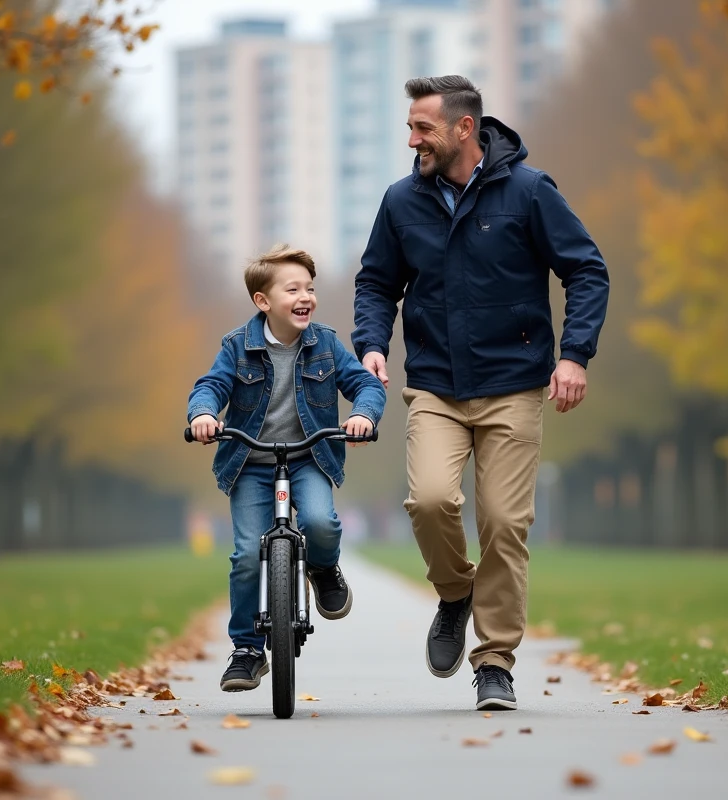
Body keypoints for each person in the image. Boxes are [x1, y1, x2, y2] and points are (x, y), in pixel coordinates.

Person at [352, 75, 609, 711]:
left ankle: (494, 662)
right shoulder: (401, 200)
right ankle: (454, 592)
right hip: (436, 384)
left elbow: (585, 269)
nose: (411, 139)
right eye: (410, 126)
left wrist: (574, 354)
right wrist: (371, 343)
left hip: (514, 384)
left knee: (503, 523)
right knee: (432, 501)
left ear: (465, 129)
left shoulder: (528, 192)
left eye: (422, 128)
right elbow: (376, 282)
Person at [188, 244, 387, 692]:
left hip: (308, 457)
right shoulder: (237, 346)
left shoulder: (327, 344)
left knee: (319, 521)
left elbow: (364, 385)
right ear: (263, 301)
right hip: (251, 462)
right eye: (293, 288)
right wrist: (203, 414)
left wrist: (363, 415)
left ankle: (323, 569)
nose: (306, 297)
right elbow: (211, 386)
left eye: (310, 288)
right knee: (244, 556)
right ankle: (247, 649)